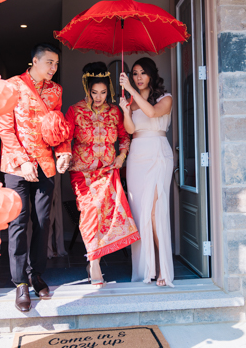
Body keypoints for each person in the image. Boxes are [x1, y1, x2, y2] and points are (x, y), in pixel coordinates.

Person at [0, 43, 72, 312]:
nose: (54, 68)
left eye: (56, 64)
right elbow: (5, 129)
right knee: (18, 223)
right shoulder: (11, 86)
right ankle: (20, 283)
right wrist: (22, 161)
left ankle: (36, 274)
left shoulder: (56, 91)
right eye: (50, 62)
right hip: (17, 165)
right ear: (35, 61)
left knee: (42, 221)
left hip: (45, 165)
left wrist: (63, 153)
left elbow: (57, 126)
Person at [64, 62, 140, 287]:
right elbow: (66, 139)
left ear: (109, 91)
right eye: (94, 92)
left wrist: (122, 156)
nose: (98, 97)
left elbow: (125, 137)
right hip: (82, 173)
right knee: (90, 212)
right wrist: (63, 157)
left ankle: (94, 263)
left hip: (107, 171)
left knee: (104, 216)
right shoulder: (75, 111)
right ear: (86, 89)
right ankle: (94, 261)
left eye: (103, 92)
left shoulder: (115, 111)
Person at [118, 57, 174, 287]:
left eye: (142, 73)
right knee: (140, 213)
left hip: (158, 154)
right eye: (134, 73)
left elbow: (151, 113)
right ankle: (146, 268)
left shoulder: (165, 98)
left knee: (154, 212)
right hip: (137, 157)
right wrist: (125, 111)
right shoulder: (132, 103)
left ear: (151, 74)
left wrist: (130, 90)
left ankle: (162, 266)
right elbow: (130, 130)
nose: (138, 77)